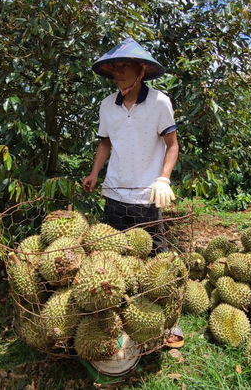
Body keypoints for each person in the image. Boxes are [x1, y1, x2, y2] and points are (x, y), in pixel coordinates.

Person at [82, 38, 183, 347]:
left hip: (146, 196)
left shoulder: (159, 103)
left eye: (125, 67)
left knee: (157, 260)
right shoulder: (106, 105)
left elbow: (172, 144)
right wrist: (95, 172)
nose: (118, 73)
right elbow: (105, 143)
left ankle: (170, 322)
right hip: (114, 193)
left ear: (141, 71)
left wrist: (163, 179)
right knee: (112, 260)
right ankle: (123, 320)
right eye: (115, 68)